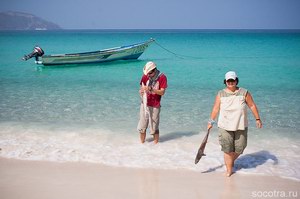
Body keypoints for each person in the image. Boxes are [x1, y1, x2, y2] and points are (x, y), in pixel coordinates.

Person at [207, 71, 262, 177]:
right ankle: (229, 170)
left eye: (233, 80)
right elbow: (215, 108)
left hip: (240, 125)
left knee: (240, 147)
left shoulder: (244, 92)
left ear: (236, 80)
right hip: (224, 126)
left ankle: (229, 161)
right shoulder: (220, 94)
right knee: (227, 150)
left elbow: (252, 106)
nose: (231, 82)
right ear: (225, 82)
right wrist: (211, 121)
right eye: (229, 80)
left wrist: (257, 119)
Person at [137, 61, 168, 144]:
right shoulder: (145, 76)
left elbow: (162, 92)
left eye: (150, 74)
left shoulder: (162, 77)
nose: (148, 75)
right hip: (144, 104)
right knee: (142, 126)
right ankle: (141, 144)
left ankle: (156, 146)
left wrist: (151, 89)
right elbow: (141, 87)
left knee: (154, 127)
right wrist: (141, 91)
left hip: (155, 105)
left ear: (154, 71)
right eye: (147, 74)